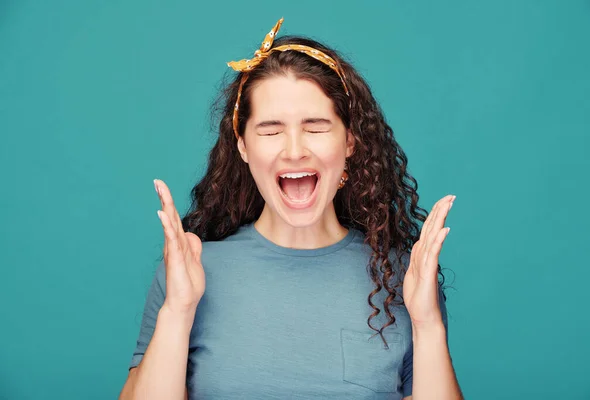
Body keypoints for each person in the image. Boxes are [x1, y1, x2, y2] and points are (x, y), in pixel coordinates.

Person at [119, 17, 463, 400]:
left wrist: (428, 323)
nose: (295, 149)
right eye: (270, 130)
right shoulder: (190, 272)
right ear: (243, 147)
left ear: (350, 141)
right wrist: (178, 312)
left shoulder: (400, 277)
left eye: (315, 127)